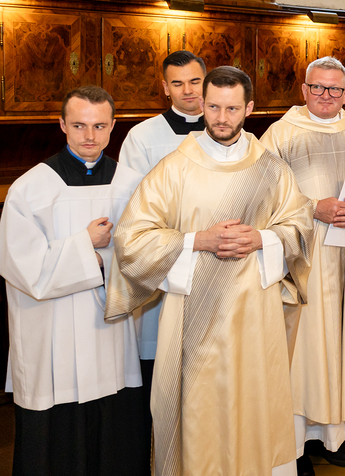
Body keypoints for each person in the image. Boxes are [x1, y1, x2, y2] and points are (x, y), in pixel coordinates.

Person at [106, 67, 314, 476]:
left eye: (232, 109)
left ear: (249, 108)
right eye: (214, 107)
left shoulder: (272, 169)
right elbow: (132, 237)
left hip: (254, 312)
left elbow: (300, 225)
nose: (221, 118)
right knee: (198, 403)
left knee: (252, 395)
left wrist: (262, 239)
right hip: (194, 314)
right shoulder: (174, 168)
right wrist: (197, 240)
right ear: (202, 104)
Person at [0, 86, 147, 475]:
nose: (90, 136)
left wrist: (102, 256)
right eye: (79, 125)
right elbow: (22, 268)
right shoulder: (31, 188)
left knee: (112, 433)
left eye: (99, 126)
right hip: (53, 335)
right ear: (63, 124)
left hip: (109, 334)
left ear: (113, 126)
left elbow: (147, 254)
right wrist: (87, 247)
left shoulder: (132, 185)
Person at [260, 57, 345, 474]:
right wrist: (311, 207)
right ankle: (296, 442)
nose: (326, 96)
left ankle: (334, 435)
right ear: (304, 90)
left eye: (335, 89)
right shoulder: (279, 136)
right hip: (303, 263)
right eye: (317, 87)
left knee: (343, 345)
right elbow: (259, 197)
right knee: (303, 352)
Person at [118, 50, 206, 439]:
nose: (188, 91)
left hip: (218, 263)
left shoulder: (228, 130)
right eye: (178, 83)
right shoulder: (144, 137)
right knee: (162, 368)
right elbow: (134, 206)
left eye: (195, 81)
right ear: (165, 87)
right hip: (168, 263)